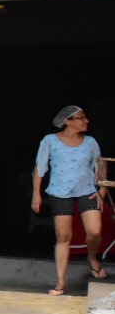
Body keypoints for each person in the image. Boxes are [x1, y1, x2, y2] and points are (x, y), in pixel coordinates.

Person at [32, 105, 106, 295]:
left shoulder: (90, 142)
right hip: (59, 192)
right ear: (67, 121)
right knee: (63, 237)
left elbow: (100, 167)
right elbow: (40, 168)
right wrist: (36, 194)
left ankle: (92, 257)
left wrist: (102, 190)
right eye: (81, 118)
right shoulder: (50, 140)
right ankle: (61, 282)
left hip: (87, 190)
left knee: (95, 231)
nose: (86, 121)